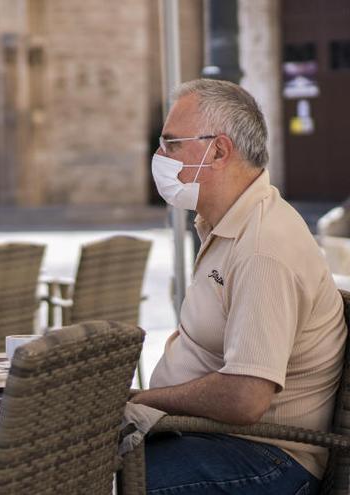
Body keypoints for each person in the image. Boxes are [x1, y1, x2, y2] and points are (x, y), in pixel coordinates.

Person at [133, 79, 347, 494]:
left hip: (267, 457)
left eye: (171, 143)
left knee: (76, 479)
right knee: (33, 466)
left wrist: (144, 402)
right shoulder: (226, 224)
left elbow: (245, 397)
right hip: (205, 438)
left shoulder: (262, 247)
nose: (159, 157)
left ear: (218, 150)